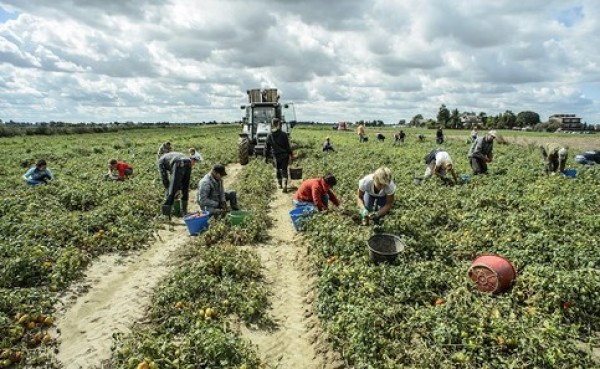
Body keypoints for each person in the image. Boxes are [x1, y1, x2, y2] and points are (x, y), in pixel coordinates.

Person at [158, 152, 192, 216]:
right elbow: (178, 177)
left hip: (178, 162)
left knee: (172, 190)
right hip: (188, 161)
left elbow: (164, 176)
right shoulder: (169, 156)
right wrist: (178, 188)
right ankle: (184, 212)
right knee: (185, 187)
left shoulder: (160, 161)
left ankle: (166, 215)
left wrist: (168, 189)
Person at [265, 118, 293, 193]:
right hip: (284, 155)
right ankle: (285, 184)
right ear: (278, 124)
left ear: (272, 124)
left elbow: (267, 147)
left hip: (276, 156)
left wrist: (266, 157)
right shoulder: (284, 134)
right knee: (284, 170)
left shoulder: (270, 135)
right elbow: (288, 146)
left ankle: (280, 184)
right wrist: (291, 155)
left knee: (277, 170)